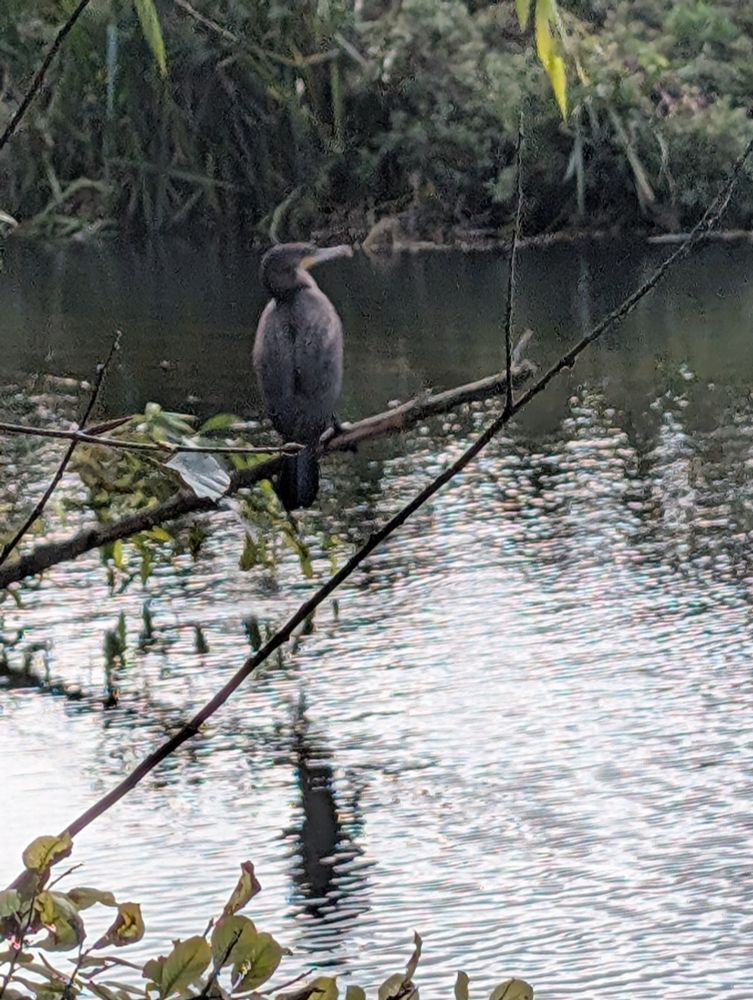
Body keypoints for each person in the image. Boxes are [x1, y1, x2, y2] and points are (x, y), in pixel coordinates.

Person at [253, 242, 352, 511]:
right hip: (313, 425)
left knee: (295, 447)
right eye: (306, 259)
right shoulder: (320, 311)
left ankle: (291, 465)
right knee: (305, 439)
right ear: (289, 272)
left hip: (288, 429)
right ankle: (330, 429)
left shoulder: (269, 320)